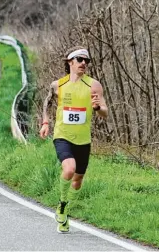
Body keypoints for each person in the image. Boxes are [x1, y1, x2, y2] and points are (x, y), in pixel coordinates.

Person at [39, 46, 108, 233]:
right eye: (79, 59)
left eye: (87, 60)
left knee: (78, 181)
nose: (84, 63)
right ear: (70, 62)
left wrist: (97, 108)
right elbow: (47, 102)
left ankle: (66, 210)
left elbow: (105, 112)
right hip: (62, 135)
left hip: (83, 140)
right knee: (69, 169)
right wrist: (45, 122)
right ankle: (62, 204)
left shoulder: (94, 85)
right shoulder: (57, 85)